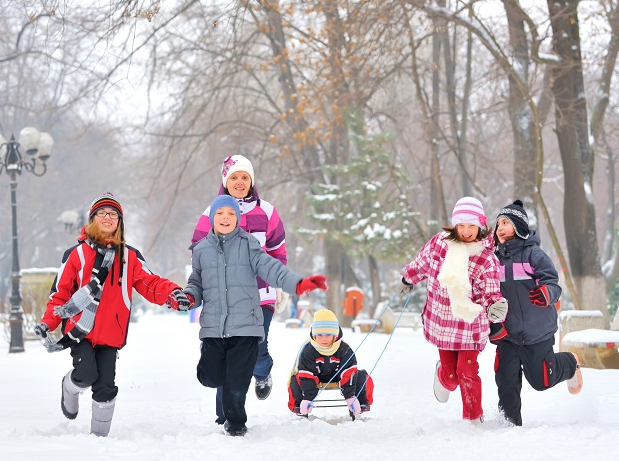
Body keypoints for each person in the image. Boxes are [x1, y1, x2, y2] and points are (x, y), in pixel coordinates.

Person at [33, 192, 191, 437]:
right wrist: (47, 323)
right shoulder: (75, 255)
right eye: (102, 213)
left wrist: (172, 293)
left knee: (106, 387)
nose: (108, 217)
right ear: (92, 218)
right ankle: (70, 386)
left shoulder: (130, 257)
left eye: (113, 214)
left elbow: (150, 283)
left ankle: (99, 441)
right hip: (80, 331)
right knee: (86, 375)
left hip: (111, 334)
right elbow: (60, 295)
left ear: (120, 221)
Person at [183, 195, 328, 436]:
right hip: (214, 326)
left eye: (231, 214)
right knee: (210, 377)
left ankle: (236, 424)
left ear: (237, 219)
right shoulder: (201, 250)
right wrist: (188, 297)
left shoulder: (248, 244)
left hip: (246, 325)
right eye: (220, 214)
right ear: (212, 218)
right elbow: (195, 283)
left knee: (237, 382)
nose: (225, 218)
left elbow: (271, 268)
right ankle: (215, 372)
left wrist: (298, 284)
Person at [190, 154, 286, 423]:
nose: (240, 182)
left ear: (252, 180)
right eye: (234, 177)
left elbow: (278, 250)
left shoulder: (266, 211)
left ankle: (263, 369)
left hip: (260, 295)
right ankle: (226, 415)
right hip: (224, 297)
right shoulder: (212, 212)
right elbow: (199, 251)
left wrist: (279, 286)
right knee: (227, 354)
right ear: (225, 181)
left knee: (258, 347)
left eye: (245, 177)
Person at [397, 197, 507, 424]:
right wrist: (407, 278)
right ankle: (442, 374)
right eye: (462, 225)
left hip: (470, 325)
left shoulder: (486, 257)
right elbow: (421, 263)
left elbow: (490, 289)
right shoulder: (440, 243)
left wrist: (495, 304)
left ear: (480, 225)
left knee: (467, 372)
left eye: (471, 226)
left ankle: (473, 419)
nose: (466, 231)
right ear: (455, 225)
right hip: (443, 323)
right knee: (451, 378)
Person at [492, 199, 583, 426]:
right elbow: (487, 294)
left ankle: (570, 363)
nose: (500, 228)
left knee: (542, 380)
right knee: (506, 380)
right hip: (508, 333)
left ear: (519, 226)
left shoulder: (533, 254)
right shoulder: (493, 260)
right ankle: (508, 422)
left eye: (506, 222)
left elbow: (553, 283)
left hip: (536, 331)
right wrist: (492, 323)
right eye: (498, 223)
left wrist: (546, 293)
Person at [287, 308, 374, 418]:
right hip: (315, 378)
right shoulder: (308, 351)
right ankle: (299, 405)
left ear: (335, 334)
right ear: (314, 335)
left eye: (328, 334)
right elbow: (306, 374)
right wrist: (308, 398)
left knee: (362, 375)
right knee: (296, 379)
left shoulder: (344, 349)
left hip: (339, 377)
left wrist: (350, 397)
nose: (324, 339)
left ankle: (361, 403)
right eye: (319, 335)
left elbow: (348, 373)